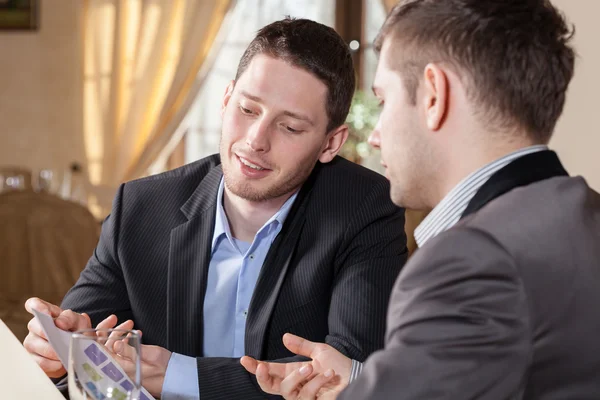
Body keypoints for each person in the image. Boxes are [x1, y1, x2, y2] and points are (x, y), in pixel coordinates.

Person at [23, 17, 408, 399]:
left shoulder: (366, 209)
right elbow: (78, 366)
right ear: (226, 100)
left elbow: (350, 377)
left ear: (330, 144)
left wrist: (175, 374)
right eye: (247, 109)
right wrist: (60, 353)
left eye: (289, 127)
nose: (256, 140)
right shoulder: (141, 207)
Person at [241, 0, 600, 398]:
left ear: (433, 95)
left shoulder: (471, 260)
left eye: (383, 100)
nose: (374, 135)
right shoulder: (585, 215)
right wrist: (369, 381)